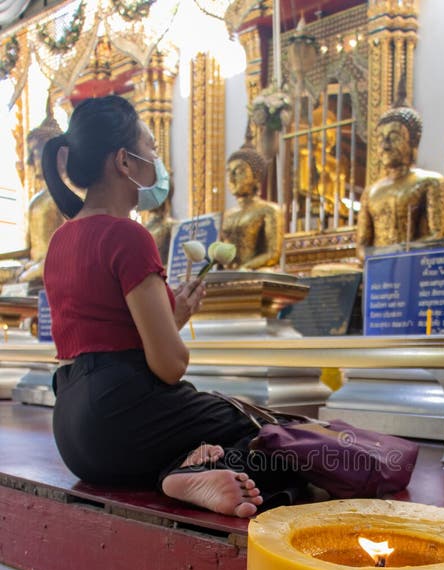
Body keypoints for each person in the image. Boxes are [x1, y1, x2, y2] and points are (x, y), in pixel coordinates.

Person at [42, 94, 304, 518]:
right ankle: (185, 476)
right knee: (277, 441)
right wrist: (172, 333)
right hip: (122, 415)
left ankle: (184, 470)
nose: (157, 159)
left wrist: (174, 316)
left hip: (75, 434)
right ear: (123, 162)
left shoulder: (61, 240)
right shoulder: (128, 236)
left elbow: (107, 335)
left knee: (200, 427)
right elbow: (169, 365)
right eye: (151, 147)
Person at [356, 97, 444, 261]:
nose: (385, 145)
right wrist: (378, 258)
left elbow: (438, 237)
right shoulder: (371, 192)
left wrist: (399, 253)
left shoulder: (430, 182)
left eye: (394, 137)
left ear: (413, 140)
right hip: (378, 267)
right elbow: (362, 247)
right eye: (381, 138)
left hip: (413, 265)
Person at [17, 105, 65, 286]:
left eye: (35, 153)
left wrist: (30, 272)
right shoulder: (36, 201)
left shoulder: (69, 196)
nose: (30, 161)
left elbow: (71, 251)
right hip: (33, 266)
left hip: (54, 268)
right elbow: (29, 250)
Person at [219, 140, 283, 270]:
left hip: (253, 273)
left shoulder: (269, 210)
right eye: (229, 172)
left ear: (256, 176)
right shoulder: (228, 215)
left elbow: (273, 254)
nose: (232, 179)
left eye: (238, 172)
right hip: (228, 276)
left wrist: (245, 268)